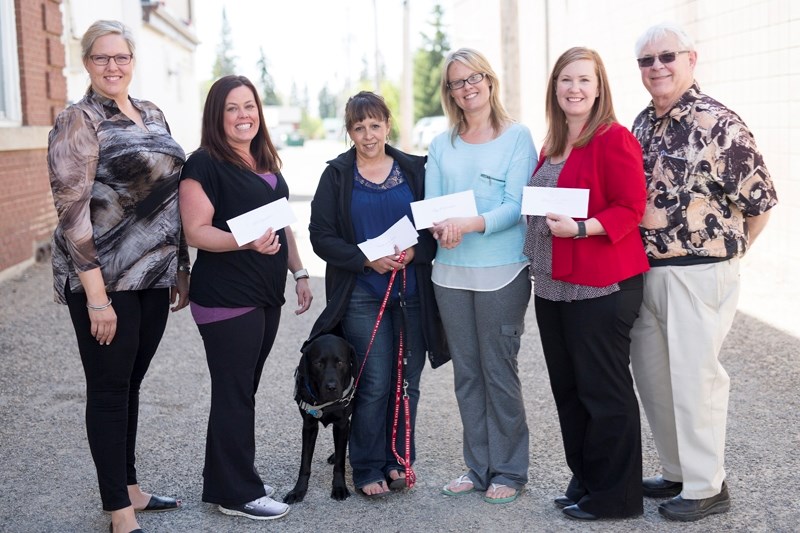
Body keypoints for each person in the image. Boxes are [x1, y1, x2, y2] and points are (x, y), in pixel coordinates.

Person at [629, 22, 779, 522]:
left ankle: (708, 485)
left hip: (700, 271)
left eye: (666, 57)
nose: (657, 68)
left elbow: (760, 202)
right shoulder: (642, 124)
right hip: (646, 270)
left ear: (691, 59)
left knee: (696, 381)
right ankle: (678, 471)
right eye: (647, 61)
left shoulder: (719, 124)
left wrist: (729, 256)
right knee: (655, 379)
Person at [47, 20, 187, 533]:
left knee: (130, 385)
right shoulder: (77, 120)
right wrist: (96, 299)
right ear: (87, 63)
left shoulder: (151, 113)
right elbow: (71, 212)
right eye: (102, 58)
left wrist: (181, 266)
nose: (113, 66)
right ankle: (119, 512)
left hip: (151, 276)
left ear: (132, 61)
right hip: (104, 282)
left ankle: (129, 485)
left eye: (121, 57)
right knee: (108, 391)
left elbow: (173, 195)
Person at [179, 75, 313, 520]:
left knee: (242, 390)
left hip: (263, 294)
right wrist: (245, 241)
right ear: (217, 115)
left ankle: (231, 481)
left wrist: (299, 271)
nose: (243, 115)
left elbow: (283, 224)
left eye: (250, 106)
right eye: (233, 108)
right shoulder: (204, 163)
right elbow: (197, 231)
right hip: (225, 296)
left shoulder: (263, 159)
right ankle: (238, 494)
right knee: (234, 392)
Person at [524, 47, 649, 521]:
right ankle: (588, 480)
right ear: (554, 88)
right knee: (570, 391)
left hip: (601, 286)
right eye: (565, 80)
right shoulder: (552, 142)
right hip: (553, 284)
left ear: (599, 88)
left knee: (604, 391)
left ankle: (616, 498)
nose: (574, 89)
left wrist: (580, 228)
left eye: (584, 80)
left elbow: (629, 208)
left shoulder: (614, 138)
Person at [308, 91, 447, 497]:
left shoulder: (415, 170)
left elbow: (435, 231)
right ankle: (367, 465)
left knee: (409, 382)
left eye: (375, 125)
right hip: (362, 293)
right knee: (374, 382)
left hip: (412, 290)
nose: (368, 135)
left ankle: (399, 460)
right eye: (359, 127)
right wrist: (367, 260)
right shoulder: (337, 175)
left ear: (388, 124)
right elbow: (321, 236)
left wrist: (416, 251)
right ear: (349, 132)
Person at [428, 48, 536, 504]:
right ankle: (477, 467)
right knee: (467, 374)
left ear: (489, 81)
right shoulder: (441, 143)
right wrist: (442, 228)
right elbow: (433, 207)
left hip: (503, 272)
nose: (468, 87)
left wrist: (469, 225)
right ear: (450, 92)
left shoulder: (517, 137)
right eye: (457, 82)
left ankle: (509, 471)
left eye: (474, 78)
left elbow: (515, 207)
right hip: (450, 273)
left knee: (498, 371)